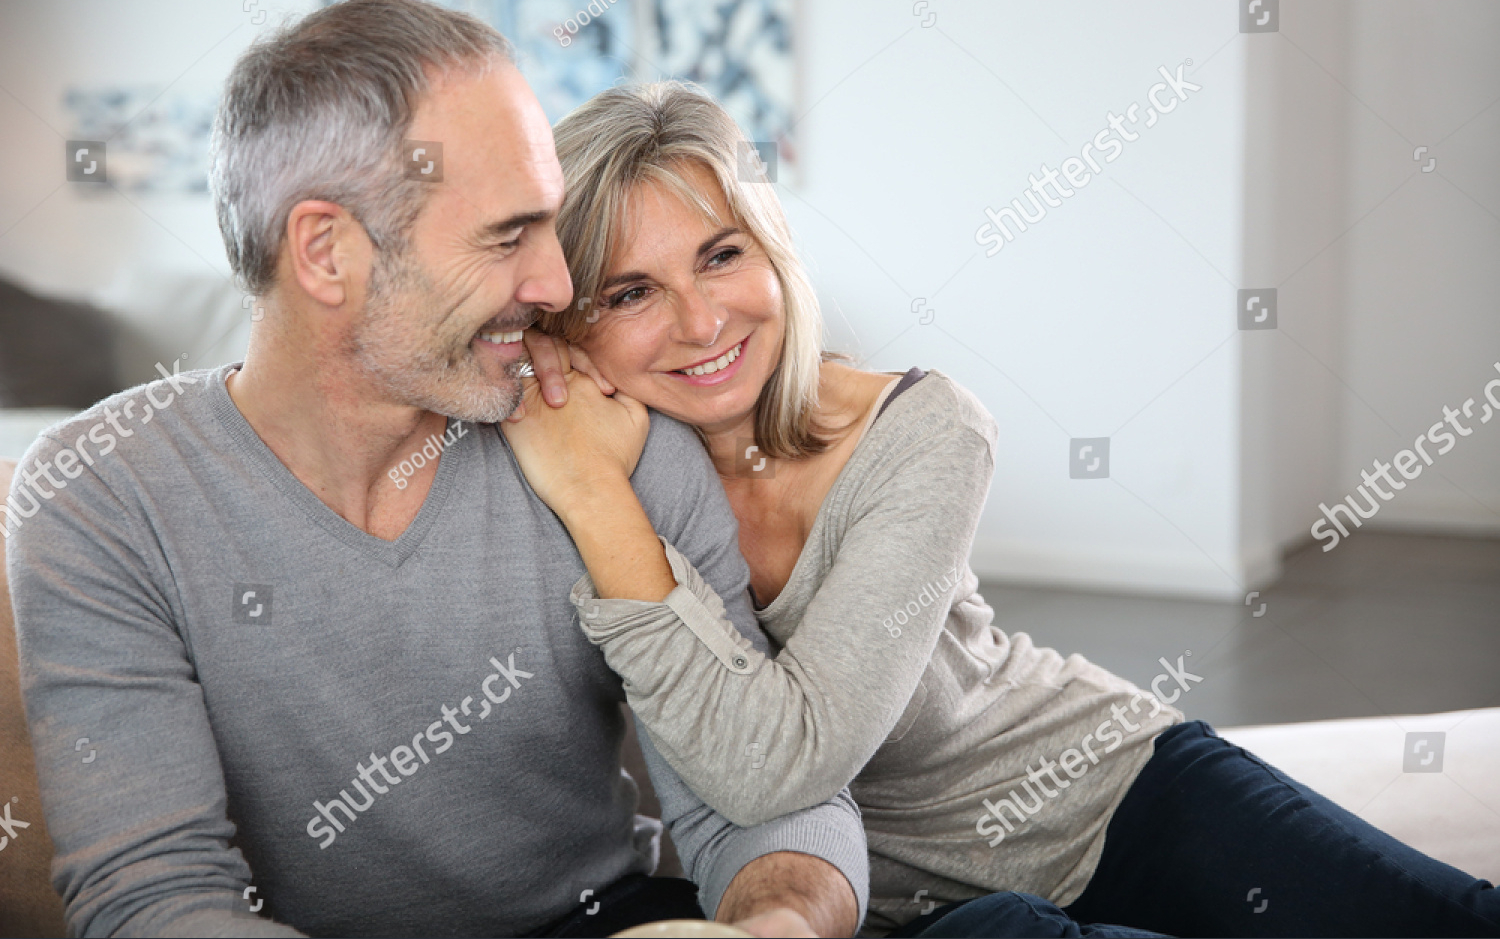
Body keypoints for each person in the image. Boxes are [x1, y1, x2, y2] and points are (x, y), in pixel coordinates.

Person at [504, 81, 1500, 938]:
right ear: (568, 322)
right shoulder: (596, 475)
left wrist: (599, 500)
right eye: (630, 293)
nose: (701, 319)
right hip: (902, 913)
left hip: (1109, 802)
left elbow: (783, 765)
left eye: (722, 255)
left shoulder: (925, 430)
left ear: (775, 251)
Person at [4, 4, 868, 936]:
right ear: (326, 251)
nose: (558, 287)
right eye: (506, 236)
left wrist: (775, 923)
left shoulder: (611, 438)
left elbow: (763, 801)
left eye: (550, 225)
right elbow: (154, 899)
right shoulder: (101, 497)